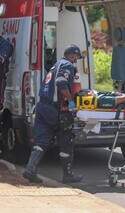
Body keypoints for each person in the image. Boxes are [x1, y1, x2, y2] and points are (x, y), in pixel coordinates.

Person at [23, 44, 83, 184]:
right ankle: (67, 175)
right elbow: (61, 82)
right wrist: (71, 102)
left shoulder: (55, 65)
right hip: (54, 109)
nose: (76, 60)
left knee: (41, 141)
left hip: (42, 106)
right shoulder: (68, 65)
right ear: (72, 55)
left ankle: (30, 170)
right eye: (76, 57)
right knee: (66, 139)